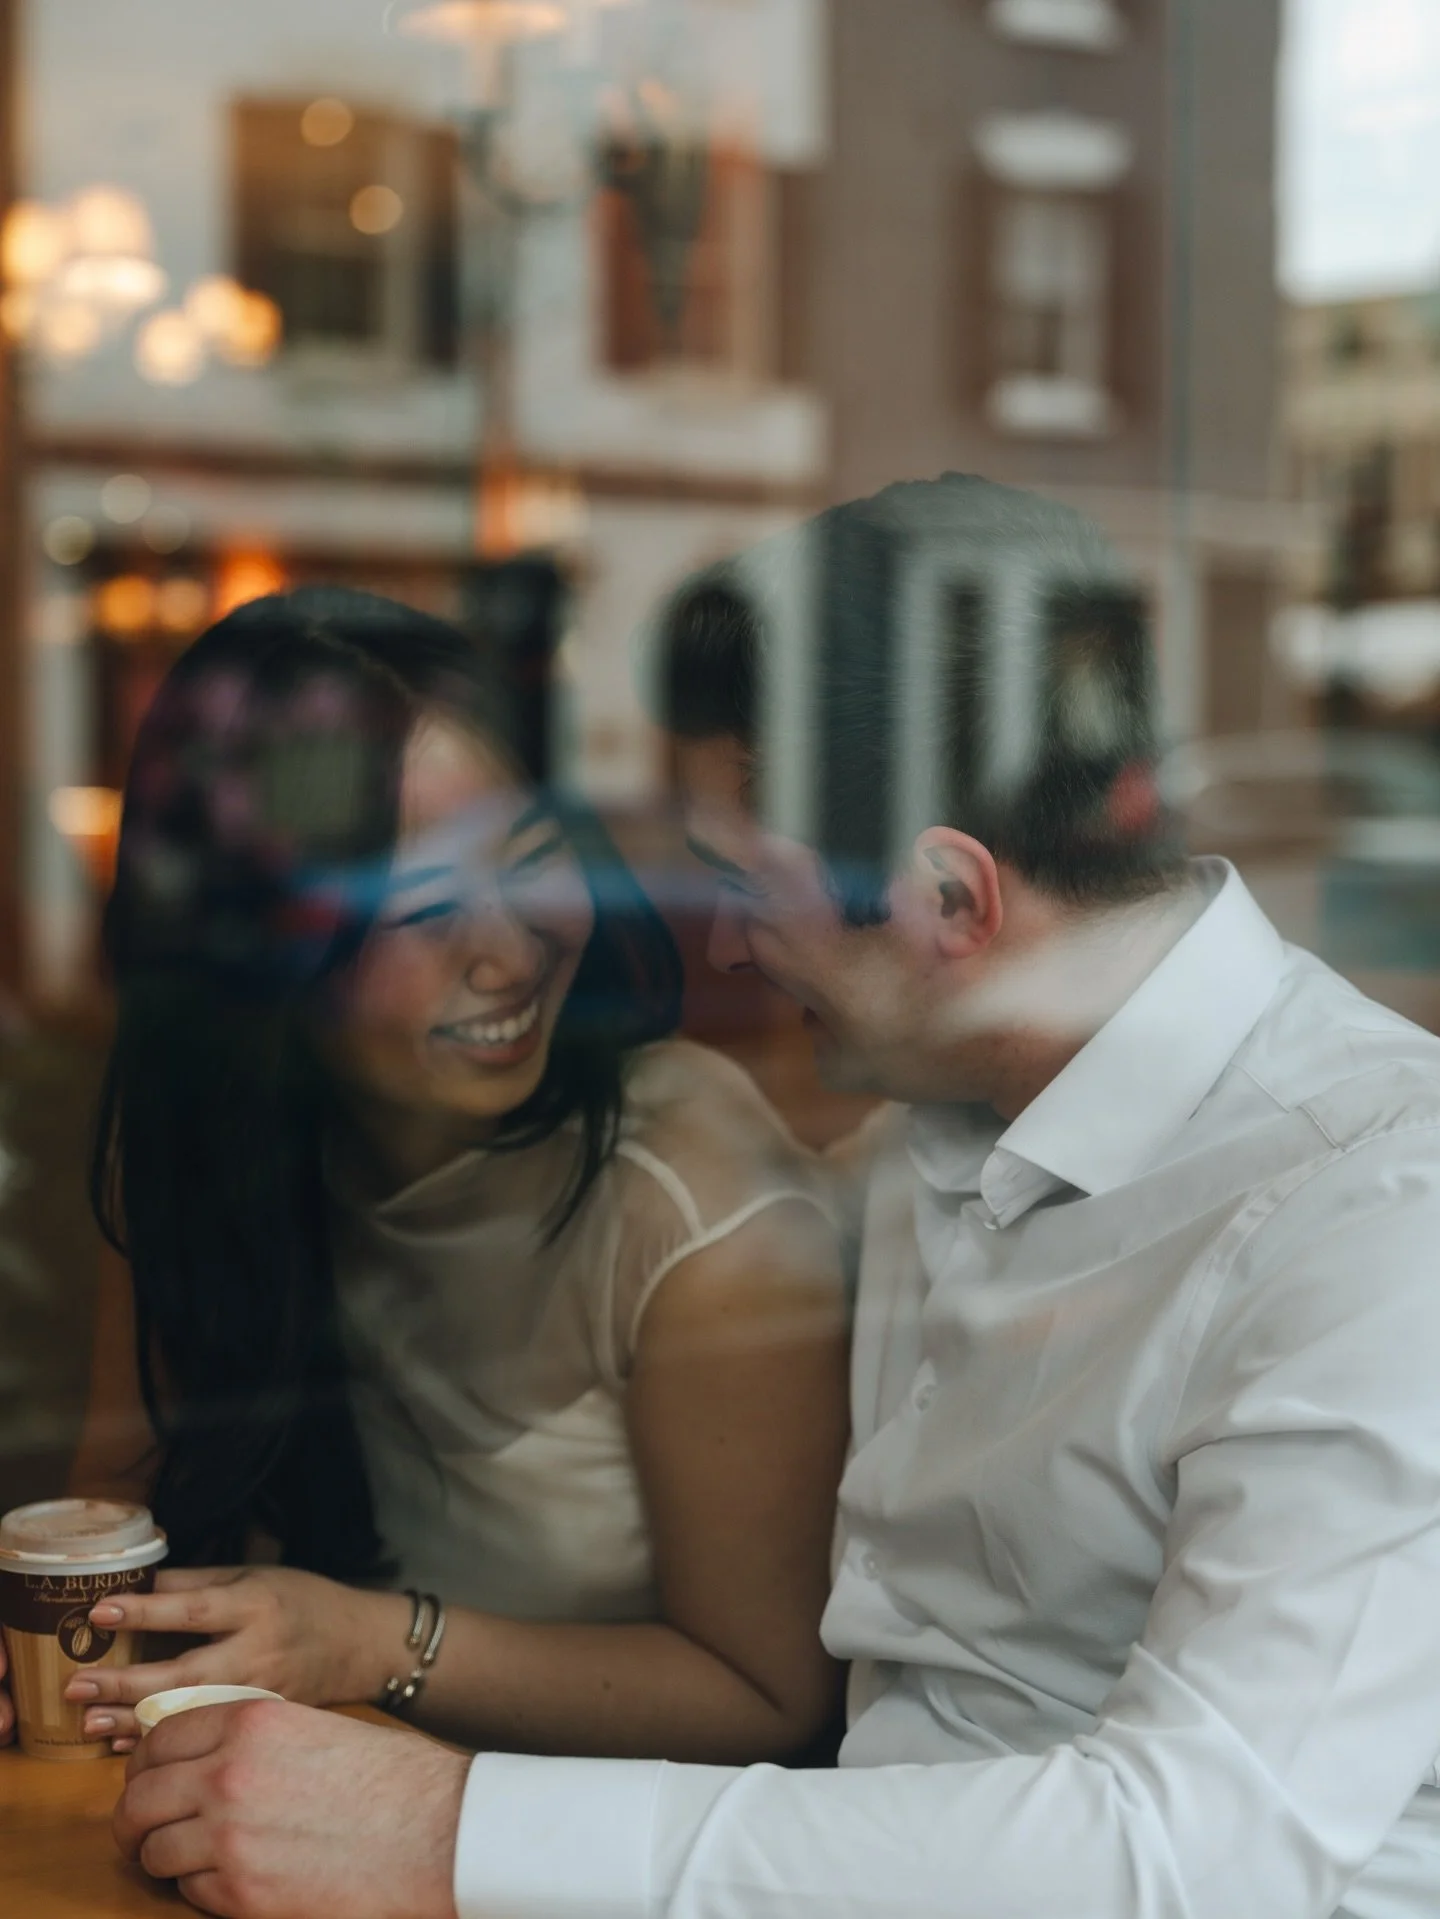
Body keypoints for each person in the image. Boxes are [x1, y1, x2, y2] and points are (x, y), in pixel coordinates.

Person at [113, 477, 1440, 1919]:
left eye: (747, 879)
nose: (732, 947)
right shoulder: (934, 1124)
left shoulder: (1378, 1213)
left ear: (948, 897)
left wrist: (449, 1825)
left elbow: (1196, 1854)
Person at [0, 585, 849, 1764]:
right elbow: (130, 1515)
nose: (510, 947)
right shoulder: (199, 1144)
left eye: (536, 862)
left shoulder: (691, 1198)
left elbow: (777, 1700)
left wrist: (369, 1642)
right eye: (427, 903)